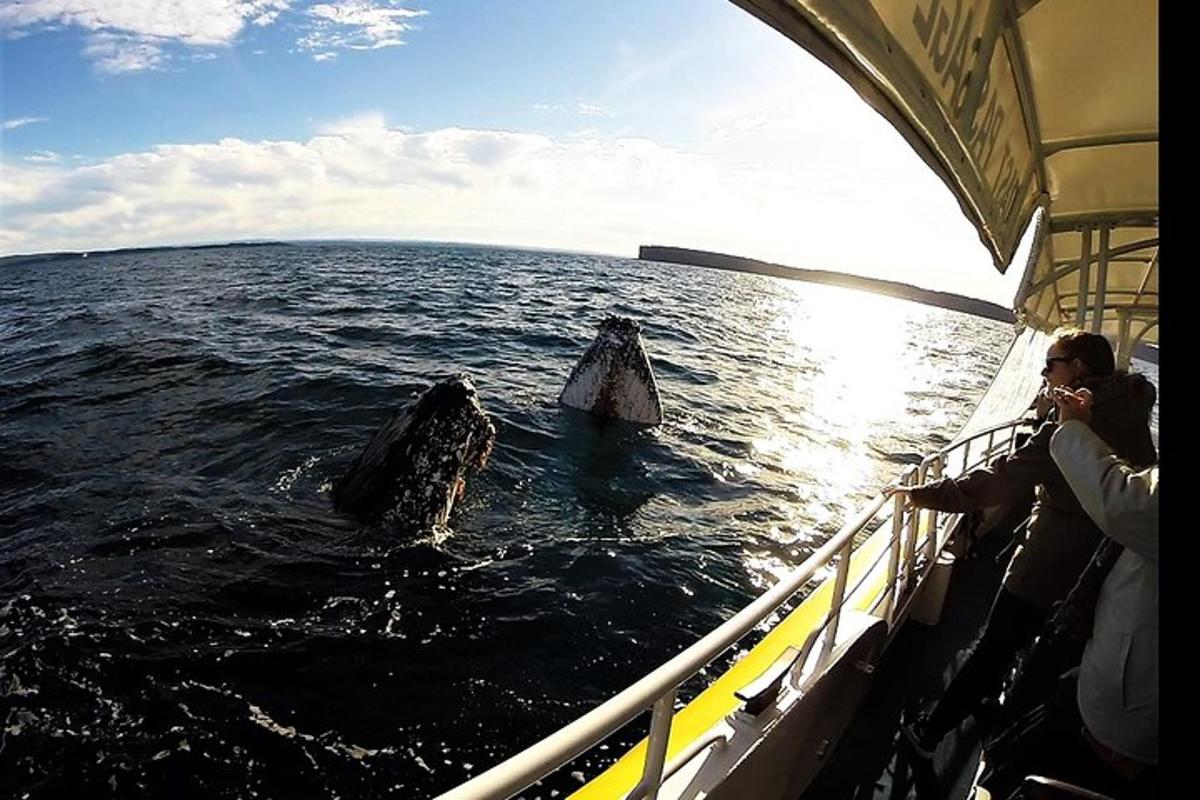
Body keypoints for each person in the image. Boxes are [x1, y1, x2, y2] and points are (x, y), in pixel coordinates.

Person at [893, 330, 1156, 757]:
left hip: (1050, 560)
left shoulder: (1078, 418)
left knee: (996, 643)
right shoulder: (1132, 410)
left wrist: (927, 495)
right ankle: (997, 703)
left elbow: (1001, 481)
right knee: (1047, 647)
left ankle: (930, 732)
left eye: (1050, 364)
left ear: (1078, 368)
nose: (1044, 374)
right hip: (1101, 566)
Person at [977, 386, 1158, 798]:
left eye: (1053, 363)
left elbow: (1130, 506)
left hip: (1123, 717)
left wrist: (1072, 428)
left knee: (1020, 761)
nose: (1044, 372)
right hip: (1104, 667)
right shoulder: (1139, 438)